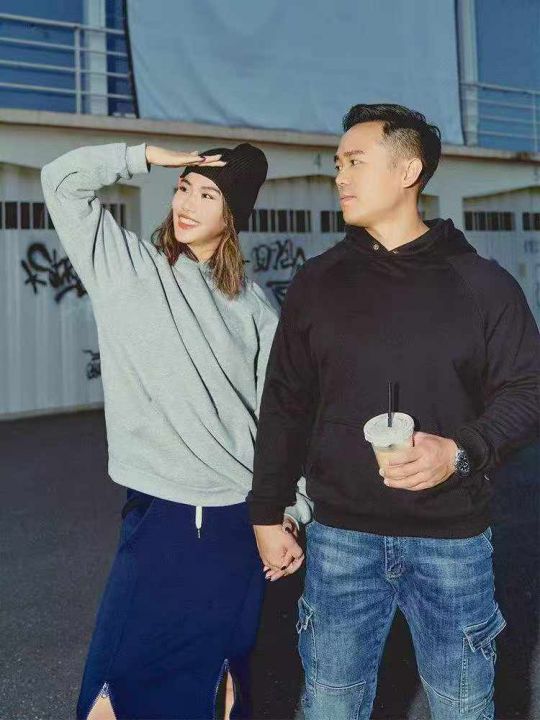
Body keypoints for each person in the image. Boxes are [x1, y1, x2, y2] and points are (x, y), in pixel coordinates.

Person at [248, 103, 540, 719]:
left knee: (463, 707)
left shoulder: (482, 284)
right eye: (337, 164)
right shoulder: (316, 283)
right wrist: (267, 511)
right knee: (330, 706)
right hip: (340, 539)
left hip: (451, 542)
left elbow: (527, 391)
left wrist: (458, 452)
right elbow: (285, 403)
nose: (339, 177)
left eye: (355, 161)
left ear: (408, 171)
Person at [41, 139, 310, 720]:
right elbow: (61, 179)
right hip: (162, 511)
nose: (186, 203)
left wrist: (292, 509)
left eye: (208, 195)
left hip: (239, 518)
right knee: (116, 687)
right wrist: (146, 156)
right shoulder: (129, 269)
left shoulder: (255, 306)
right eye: (184, 187)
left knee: (227, 679)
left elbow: (286, 420)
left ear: (233, 215)